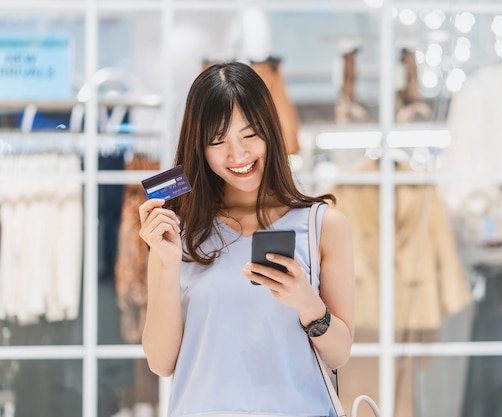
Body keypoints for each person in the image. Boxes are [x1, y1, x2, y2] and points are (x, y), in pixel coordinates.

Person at [138, 61, 355, 417]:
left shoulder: (323, 225)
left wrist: (306, 302)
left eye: (250, 134)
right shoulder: (178, 232)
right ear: (200, 148)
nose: (237, 155)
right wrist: (168, 262)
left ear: (270, 130)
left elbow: (339, 353)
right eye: (218, 141)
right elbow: (161, 362)